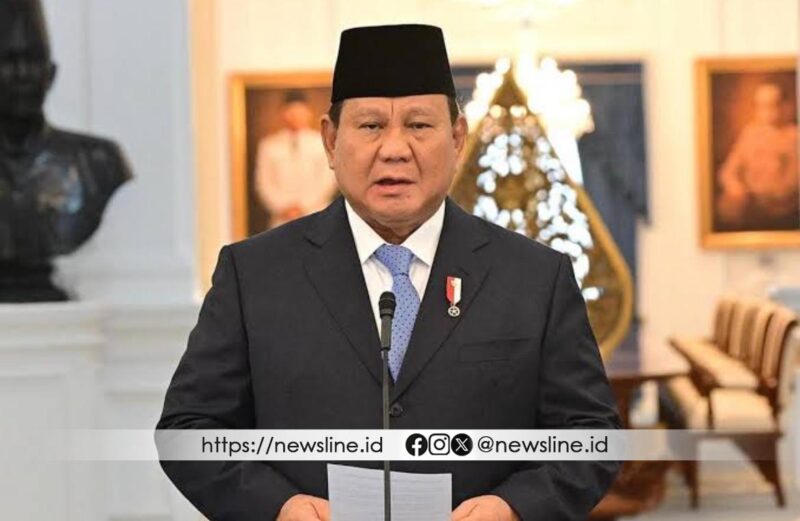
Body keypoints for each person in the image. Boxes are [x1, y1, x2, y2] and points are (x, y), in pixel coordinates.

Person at [157, 24, 620, 521]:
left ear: (457, 137)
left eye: (419, 125)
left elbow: (591, 436)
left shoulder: (534, 278)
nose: (395, 149)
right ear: (330, 141)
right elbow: (190, 430)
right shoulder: (255, 275)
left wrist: (513, 508)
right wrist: (279, 507)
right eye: (371, 126)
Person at [0, 0, 131, 301]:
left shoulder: (98, 161)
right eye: (8, 61)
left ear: (51, 73)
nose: (22, 74)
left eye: (34, 60)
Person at [716, 82, 799, 231]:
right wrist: (735, 187)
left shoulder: (795, 136)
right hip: (754, 205)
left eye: (773, 105)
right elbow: (728, 171)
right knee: (726, 208)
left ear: (787, 106)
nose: (767, 111)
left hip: (789, 209)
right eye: (762, 106)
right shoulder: (750, 134)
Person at [254, 90, 338, 229]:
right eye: (290, 112)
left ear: (308, 113)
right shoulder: (269, 145)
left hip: (316, 214)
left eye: (299, 112)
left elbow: (327, 180)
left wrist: (303, 206)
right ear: (282, 114)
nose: (295, 116)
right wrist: (285, 207)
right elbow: (264, 183)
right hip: (282, 218)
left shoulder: (322, 142)